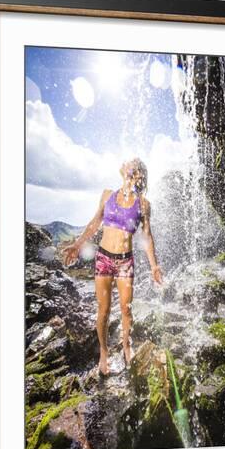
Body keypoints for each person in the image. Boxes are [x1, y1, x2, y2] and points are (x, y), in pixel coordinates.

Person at [62, 157, 163, 377]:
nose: (128, 167)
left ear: (138, 175)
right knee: (104, 310)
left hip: (125, 261)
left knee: (126, 308)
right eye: (128, 165)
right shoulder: (107, 195)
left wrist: (154, 266)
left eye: (134, 167)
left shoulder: (144, 204)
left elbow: (147, 237)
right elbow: (94, 223)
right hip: (104, 258)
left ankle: (126, 345)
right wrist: (78, 245)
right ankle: (104, 353)